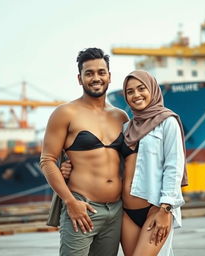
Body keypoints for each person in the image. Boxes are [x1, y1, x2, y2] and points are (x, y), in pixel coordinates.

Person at [61, 70, 188, 256]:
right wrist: (70, 166)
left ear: (152, 90)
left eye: (141, 89)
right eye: (130, 92)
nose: (136, 95)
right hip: (127, 212)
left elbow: (173, 167)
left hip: (155, 208)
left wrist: (166, 209)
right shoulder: (127, 127)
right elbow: (112, 160)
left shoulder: (168, 122)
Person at [40, 47, 128, 256]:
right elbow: (47, 160)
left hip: (115, 211)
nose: (95, 78)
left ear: (109, 76)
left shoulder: (121, 116)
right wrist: (70, 201)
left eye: (101, 72)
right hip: (82, 207)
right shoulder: (65, 113)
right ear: (80, 79)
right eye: (89, 73)